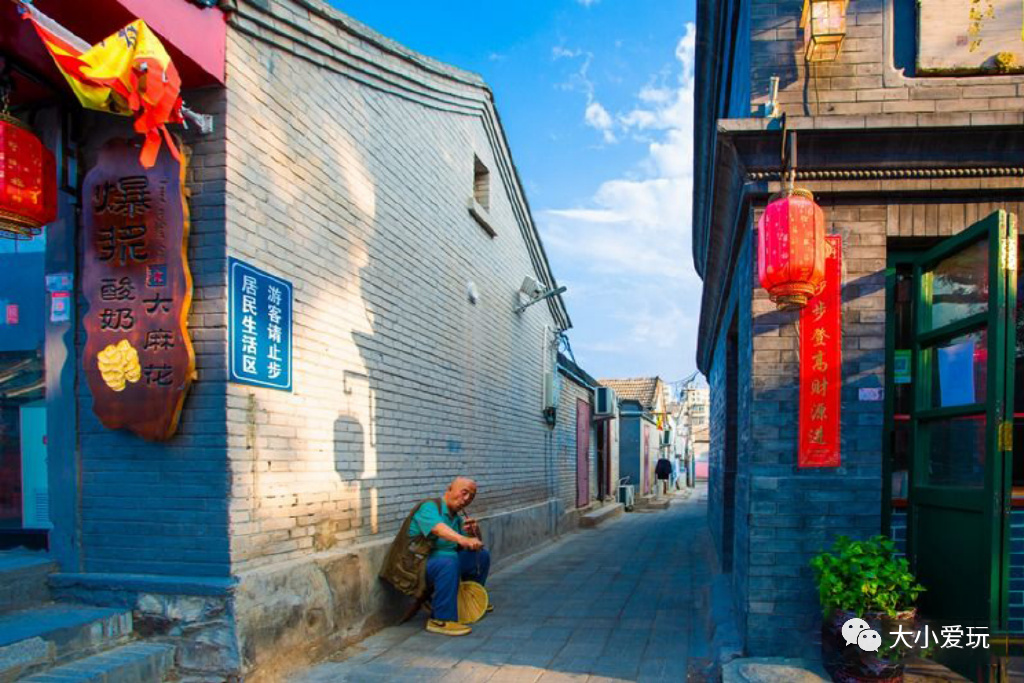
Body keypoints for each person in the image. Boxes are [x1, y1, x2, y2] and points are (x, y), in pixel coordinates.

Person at [407, 476, 491, 636]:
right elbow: (438, 529)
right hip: (420, 563)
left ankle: (469, 599)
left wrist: (474, 535)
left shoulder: (456, 518)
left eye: (471, 497)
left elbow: (468, 545)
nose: (466, 499)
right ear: (449, 489)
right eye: (464, 493)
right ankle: (441, 619)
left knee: (481, 556)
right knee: (448, 562)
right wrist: (463, 538)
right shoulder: (429, 507)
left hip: (446, 561)